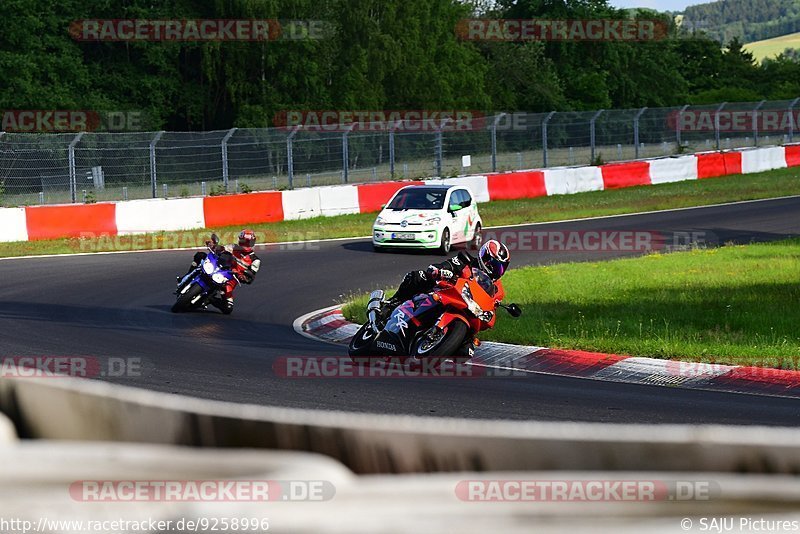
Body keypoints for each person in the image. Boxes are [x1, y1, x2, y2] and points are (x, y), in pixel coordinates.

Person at [387, 239, 511, 307]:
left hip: (467, 310)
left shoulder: (498, 290)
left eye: (501, 268)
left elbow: (490, 308)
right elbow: (446, 265)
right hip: (442, 295)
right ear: (486, 259)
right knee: (417, 276)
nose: (497, 270)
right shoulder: (465, 261)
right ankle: (393, 302)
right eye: (495, 265)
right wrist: (438, 270)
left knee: (467, 348)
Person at [179, 229, 261, 314]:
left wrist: (244, 277)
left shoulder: (255, 260)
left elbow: (250, 277)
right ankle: (187, 276)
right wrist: (213, 246)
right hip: (218, 270)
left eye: (248, 242)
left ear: (252, 243)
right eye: (243, 241)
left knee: (228, 308)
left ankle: (209, 299)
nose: (245, 244)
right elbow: (221, 249)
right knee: (200, 255)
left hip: (229, 281)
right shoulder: (233, 247)